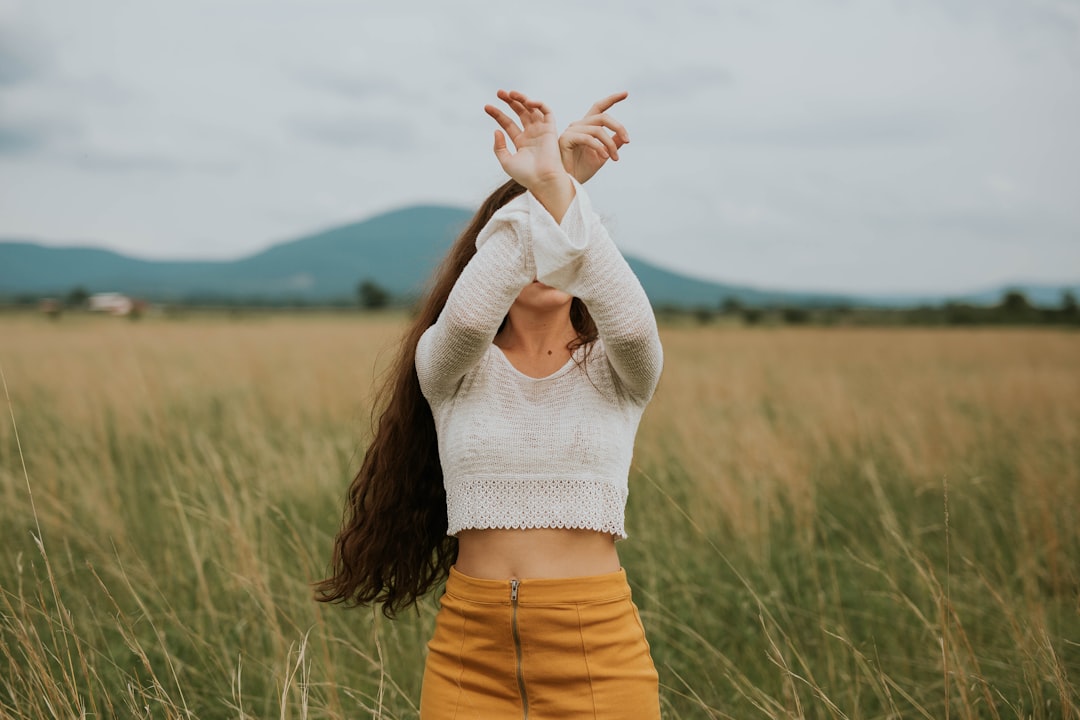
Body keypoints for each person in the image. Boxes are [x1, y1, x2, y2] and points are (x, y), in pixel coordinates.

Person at [316, 89, 664, 719]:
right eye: (528, 242)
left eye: (561, 242)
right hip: (469, 650)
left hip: (595, 646)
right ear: (495, 253)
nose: (544, 257)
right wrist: (550, 190)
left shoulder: (619, 368)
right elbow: (474, 311)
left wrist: (558, 186)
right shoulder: (449, 364)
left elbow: (636, 326)